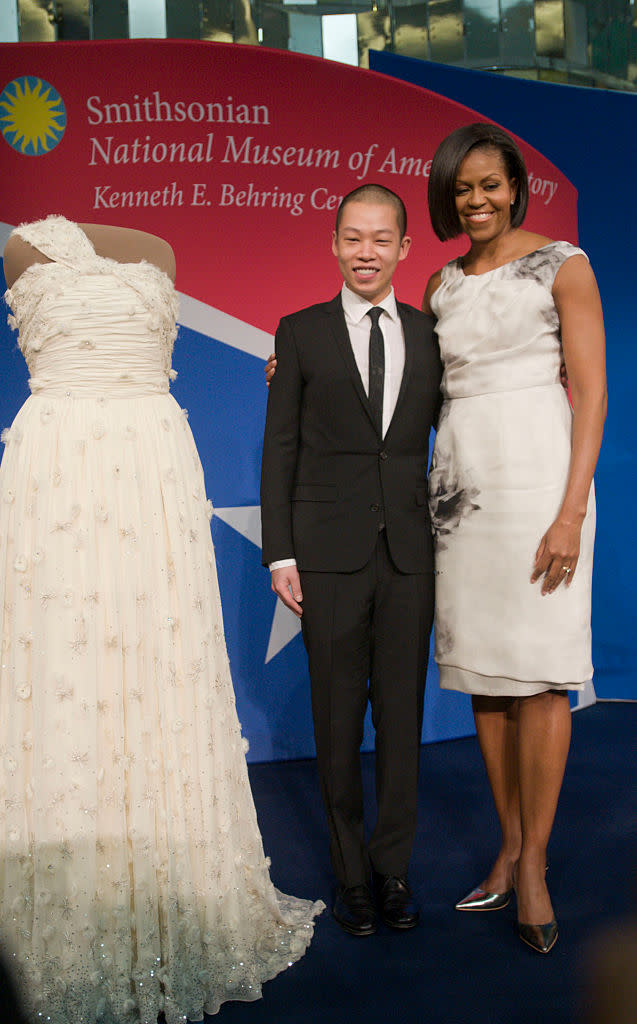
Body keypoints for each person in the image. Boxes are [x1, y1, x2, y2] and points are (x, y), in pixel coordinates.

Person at [0, 215, 322, 1024]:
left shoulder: (159, 249)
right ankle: (63, 905)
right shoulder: (24, 246)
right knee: (61, 666)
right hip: (57, 465)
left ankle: (173, 892)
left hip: (154, 464)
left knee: (161, 664)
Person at [423, 123, 606, 953]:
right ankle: (505, 843)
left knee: (539, 676)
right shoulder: (439, 285)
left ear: (516, 185)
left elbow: (591, 391)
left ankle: (532, 864)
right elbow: (416, 393)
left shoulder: (562, 264)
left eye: (490, 184)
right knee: (488, 682)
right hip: (462, 493)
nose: (477, 200)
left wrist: (568, 512)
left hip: (541, 485)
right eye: (462, 188)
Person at [260, 185, 443, 936]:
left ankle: (392, 870)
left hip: (408, 554)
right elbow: (280, 449)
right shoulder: (298, 334)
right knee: (336, 723)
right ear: (333, 244)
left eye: (381, 238)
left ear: (404, 248)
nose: (365, 251)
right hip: (326, 558)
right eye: (352, 237)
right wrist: (281, 553)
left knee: (401, 723)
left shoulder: (433, 335)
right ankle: (349, 876)